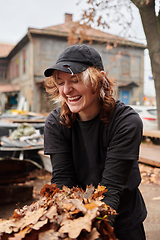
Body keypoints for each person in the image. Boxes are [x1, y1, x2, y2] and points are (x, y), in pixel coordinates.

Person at [43, 44, 147, 240]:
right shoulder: (56, 123)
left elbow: (112, 188)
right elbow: (63, 181)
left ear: (98, 79)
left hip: (123, 220)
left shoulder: (126, 122)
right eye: (60, 82)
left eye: (75, 80)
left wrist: (95, 232)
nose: (66, 90)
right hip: (76, 219)